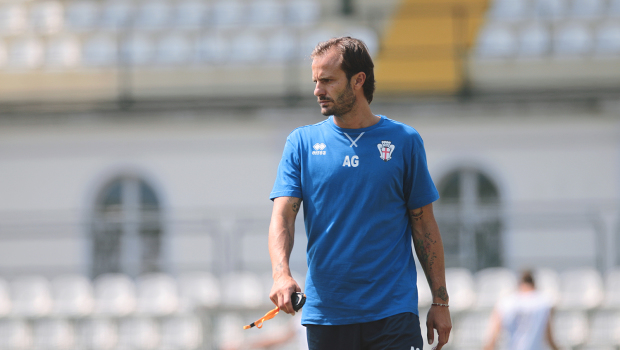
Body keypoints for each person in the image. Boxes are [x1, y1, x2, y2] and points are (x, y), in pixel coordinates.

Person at [267, 36, 452, 350]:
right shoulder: (301, 143)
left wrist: (441, 301)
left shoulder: (404, 141)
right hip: (328, 313)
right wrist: (281, 274)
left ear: (358, 80)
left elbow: (424, 225)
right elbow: (283, 217)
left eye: (327, 81)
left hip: (393, 312)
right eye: (315, 81)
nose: (317, 90)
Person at [484, 270, 559, 350]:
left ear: (519, 284)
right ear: (534, 284)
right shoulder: (543, 302)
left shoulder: (506, 302)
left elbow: (493, 338)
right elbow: (549, 337)